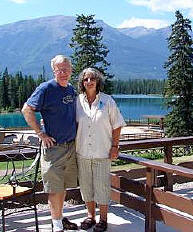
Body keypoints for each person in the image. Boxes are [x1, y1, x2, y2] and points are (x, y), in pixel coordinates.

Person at [22, 55, 78, 232]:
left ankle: (60, 219)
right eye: (59, 70)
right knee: (54, 189)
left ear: (71, 70)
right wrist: (40, 133)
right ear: (54, 71)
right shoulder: (46, 88)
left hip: (71, 146)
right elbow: (26, 109)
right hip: (53, 148)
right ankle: (56, 226)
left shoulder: (70, 89)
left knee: (63, 187)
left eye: (66, 69)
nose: (63, 73)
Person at [76, 68, 126, 232]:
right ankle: (90, 216)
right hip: (82, 152)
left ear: (98, 81)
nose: (89, 82)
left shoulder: (107, 101)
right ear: (82, 83)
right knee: (86, 187)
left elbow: (117, 125)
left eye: (92, 79)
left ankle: (103, 220)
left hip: (102, 153)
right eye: (85, 79)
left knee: (102, 187)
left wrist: (114, 146)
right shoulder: (78, 102)